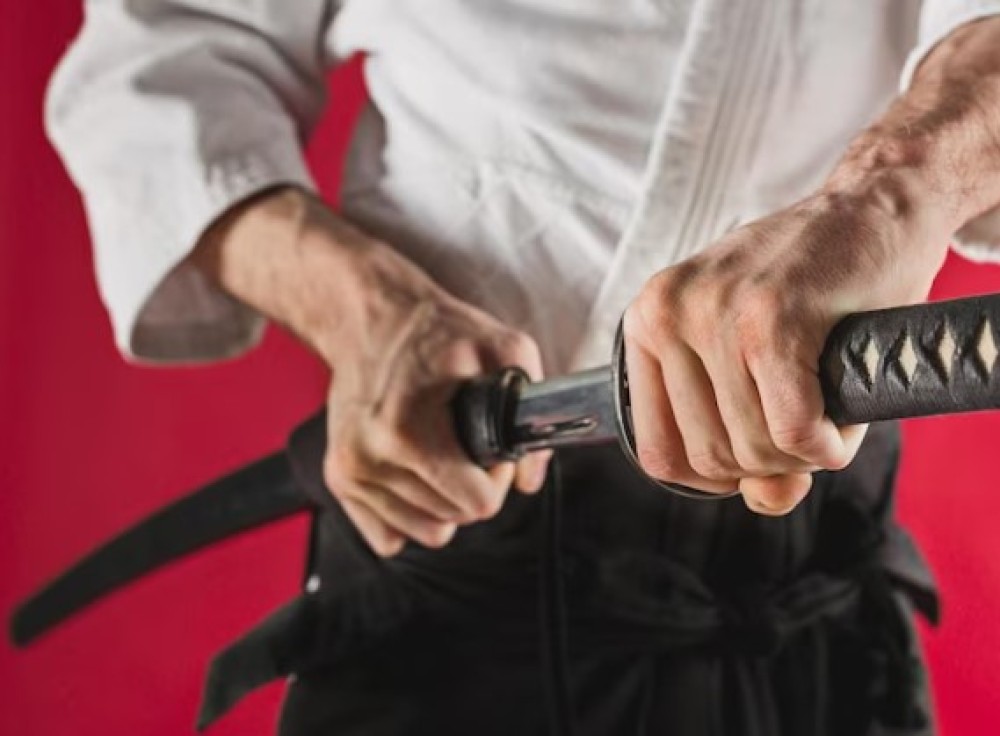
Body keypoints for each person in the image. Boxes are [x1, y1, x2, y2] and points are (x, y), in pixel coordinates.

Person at [46, 1, 1000, 734]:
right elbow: (162, 57)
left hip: (814, 592)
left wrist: (889, 192)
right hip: (452, 565)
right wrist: (365, 309)